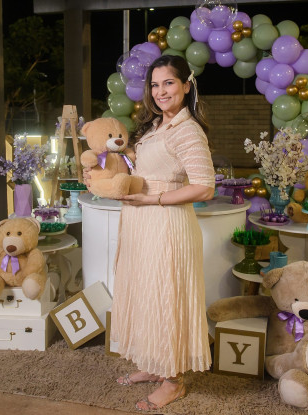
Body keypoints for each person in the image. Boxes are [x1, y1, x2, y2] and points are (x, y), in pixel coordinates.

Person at [84, 55, 215, 412]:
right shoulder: (156, 126)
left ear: (186, 86)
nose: (160, 91)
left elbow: (205, 187)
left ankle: (174, 381)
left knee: (167, 297)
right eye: (155, 85)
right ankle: (155, 364)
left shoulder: (187, 130)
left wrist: (153, 199)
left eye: (168, 83)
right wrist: (103, 174)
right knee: (146, 294)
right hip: (142, 222)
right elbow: (143, 170)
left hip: (167, 223)